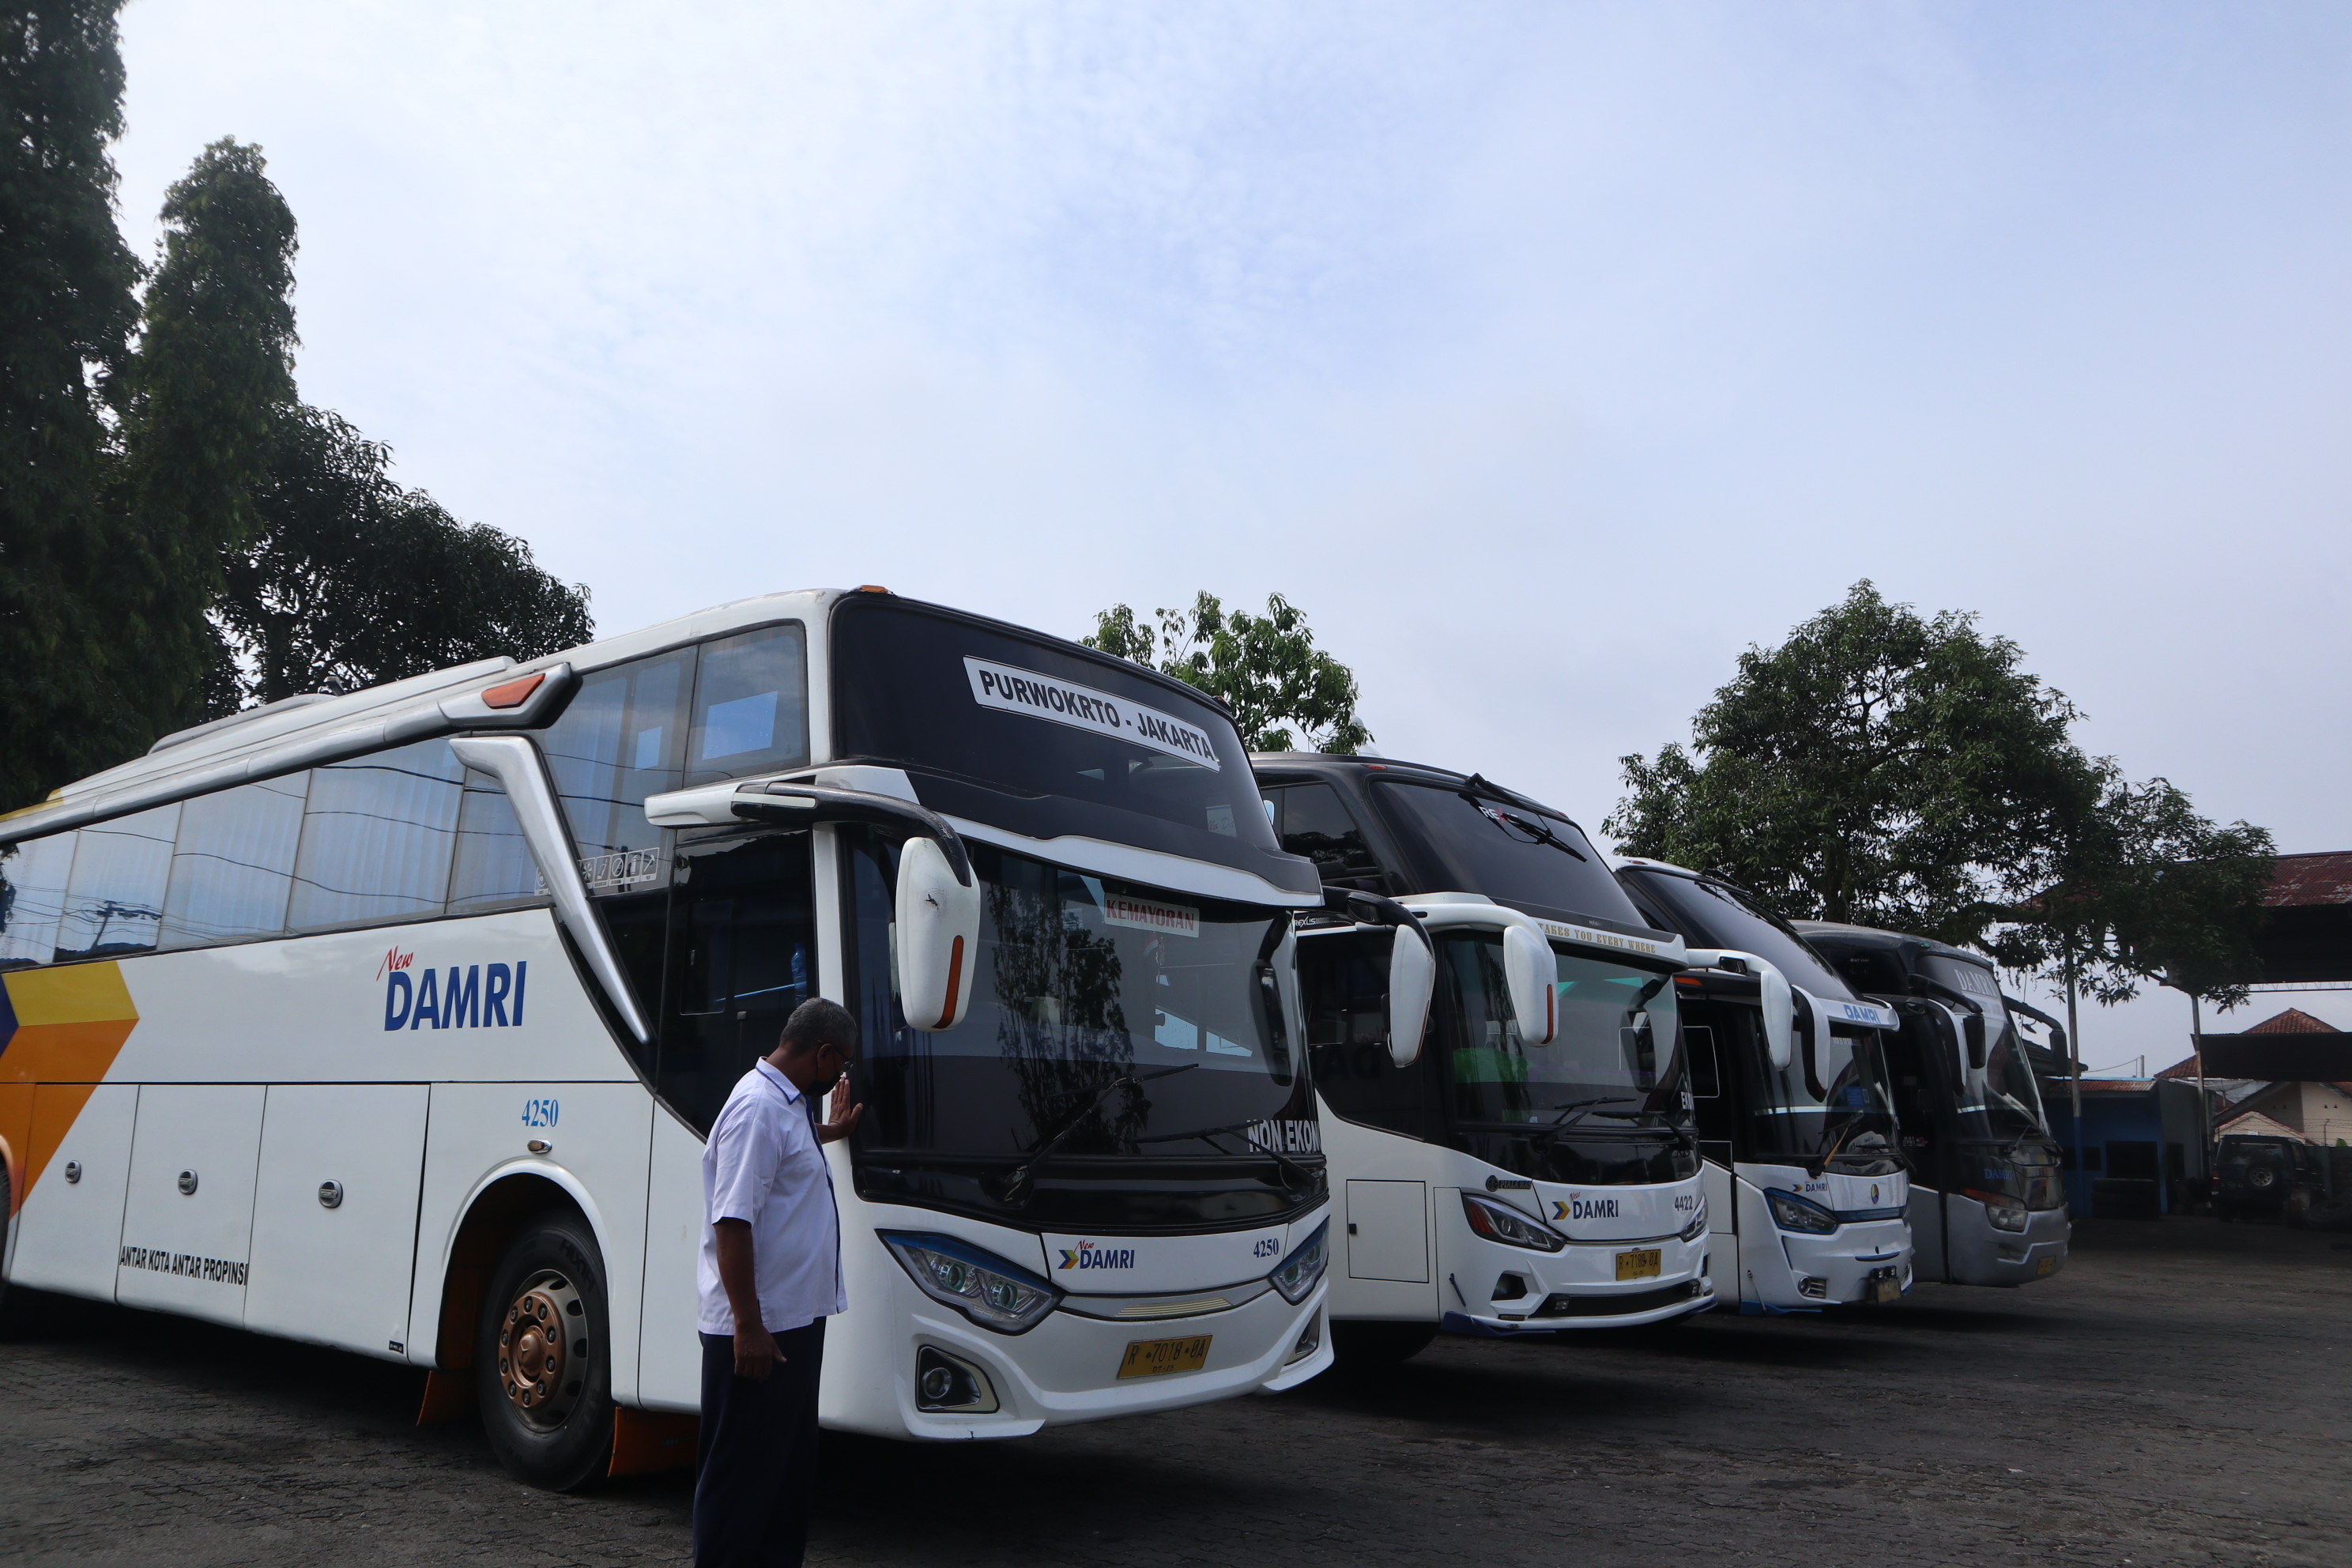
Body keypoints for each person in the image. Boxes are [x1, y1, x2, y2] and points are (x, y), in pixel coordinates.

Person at [693, 997, 862, 1567]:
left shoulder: (784, 1106)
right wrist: (748, 1326)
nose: (841, 1076)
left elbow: (788, 1148)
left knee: (782, 1481)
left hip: (790, 1325)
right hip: (760, 1332)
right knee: (742, 1484)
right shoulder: (758, 1107)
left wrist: (830, 1131)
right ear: (821, 1053)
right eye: (841, 1066)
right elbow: (732, 1222)